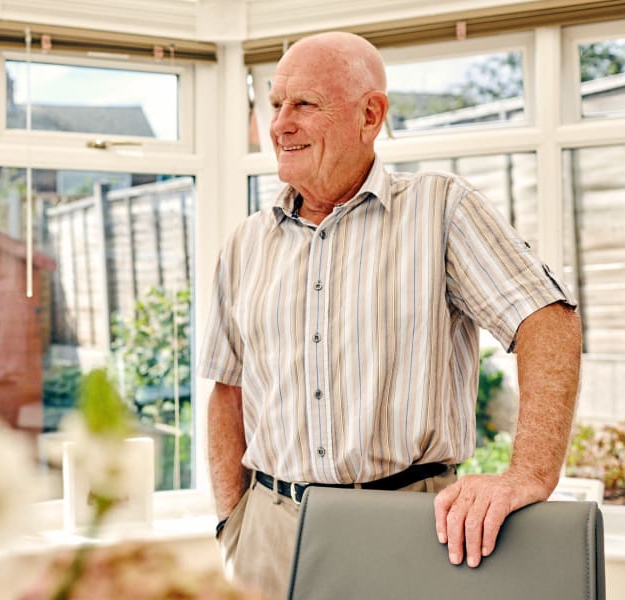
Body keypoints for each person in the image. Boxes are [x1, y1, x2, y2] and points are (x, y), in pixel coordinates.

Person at [199, 31, 582, 600]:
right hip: (268, 538)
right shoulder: (244, 244)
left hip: (409, 529)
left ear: (369, 114)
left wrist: (529, 473)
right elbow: (227, 392)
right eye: (276, 103)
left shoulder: (441, 209)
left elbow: (547, 319)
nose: (280, 123)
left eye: (304, 103)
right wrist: (234, 523)